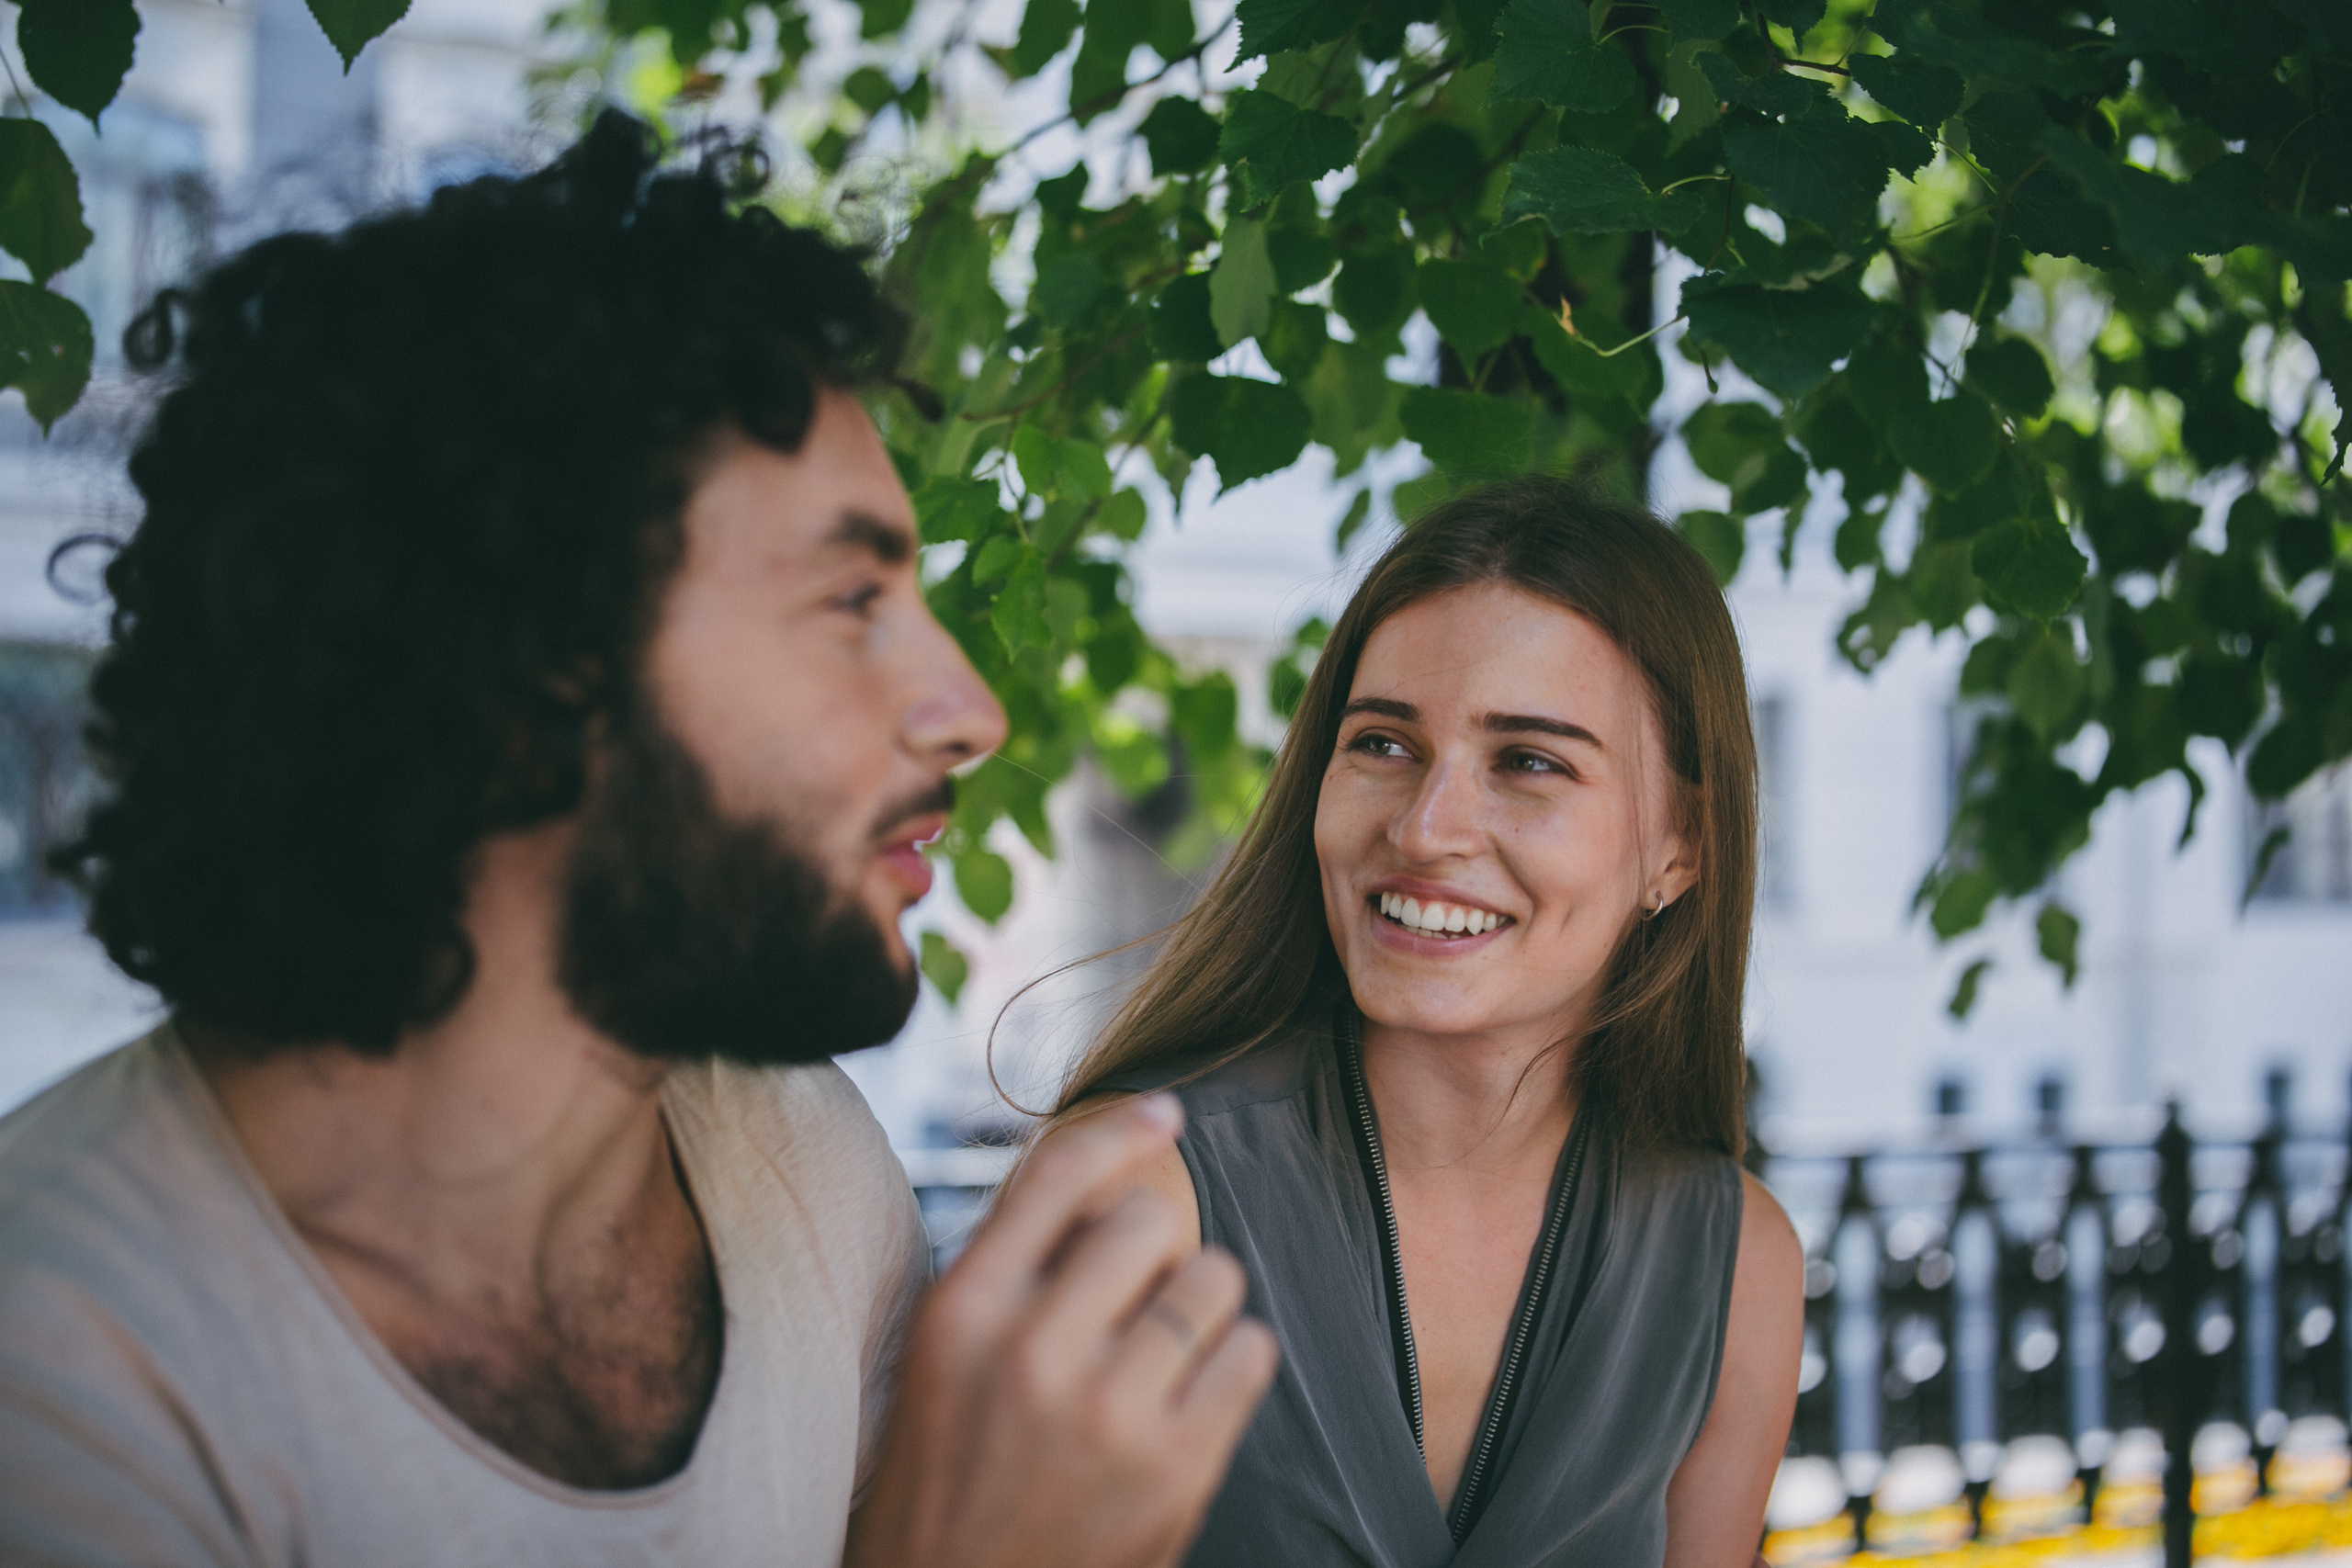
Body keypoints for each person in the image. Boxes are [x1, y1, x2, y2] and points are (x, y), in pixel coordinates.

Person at [0, 111, 1274, 1568]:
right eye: (853, 604)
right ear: (524, 666)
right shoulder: (64, 1378)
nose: (969, 711)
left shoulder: (800, 1166)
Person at [1043, 477, 1805, 1566]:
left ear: (1681, 846)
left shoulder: (1738, 1270)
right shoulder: (1139, 1195)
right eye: (1383, 745)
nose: (1425, 825)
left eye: (1529, 761)